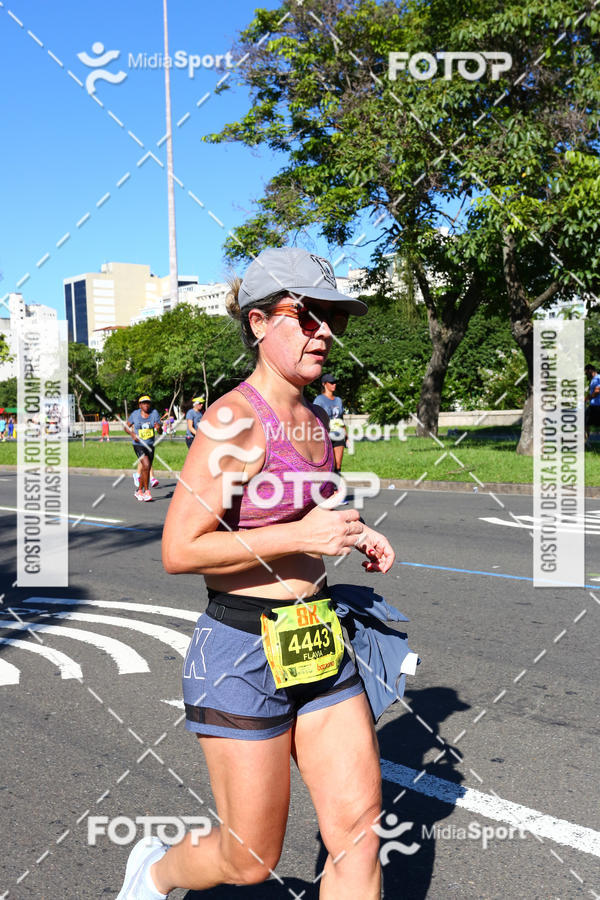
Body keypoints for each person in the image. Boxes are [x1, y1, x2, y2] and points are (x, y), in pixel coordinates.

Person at [117, 248, 402, 900]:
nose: (323, 332)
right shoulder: (234, 422)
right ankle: (155, 872)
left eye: (332, 318)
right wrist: (301, 537)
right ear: (258, 322)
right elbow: (180, 549)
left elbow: (309, 510)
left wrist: (355, 531)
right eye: (307, 315)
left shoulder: (317, 418)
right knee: (248, 858)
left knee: (359, 834)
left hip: (317, 636)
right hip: (242, 651)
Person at [124, 395, 162, 501]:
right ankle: (147, 492)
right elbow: (126, 427)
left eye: (148, 403)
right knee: (146, 465)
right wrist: (132, 434)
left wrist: (158, 428)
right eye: (144, 403)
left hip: (150, 445)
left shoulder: (154, 413)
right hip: (138, 445)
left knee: (146, 468)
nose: (146, 405)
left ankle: (139, 491)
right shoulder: (135, 414)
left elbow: (160, 431)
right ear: (140, 405)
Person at [314, 373, 347, 474]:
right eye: (331, 383)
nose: (334, 385)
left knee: (338, 465)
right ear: (324, 384)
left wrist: (346, 434)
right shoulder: (319, 400)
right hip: (325, 436)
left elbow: (341, 418)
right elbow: (314, 417)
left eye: (335, 383)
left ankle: (337, 483)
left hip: (339, 434)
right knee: (329, 465)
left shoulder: (338, 400)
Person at [585, 363, 600, 444]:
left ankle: (588, 441)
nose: (586, 374)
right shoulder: (593, 379)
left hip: (597, 405)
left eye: (586, 372)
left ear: (590, 370)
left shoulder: (598, 378)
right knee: (585, 422)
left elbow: (597, 391)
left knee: (585, 421)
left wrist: (587, 398)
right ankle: (588, 441)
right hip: (593, 405)